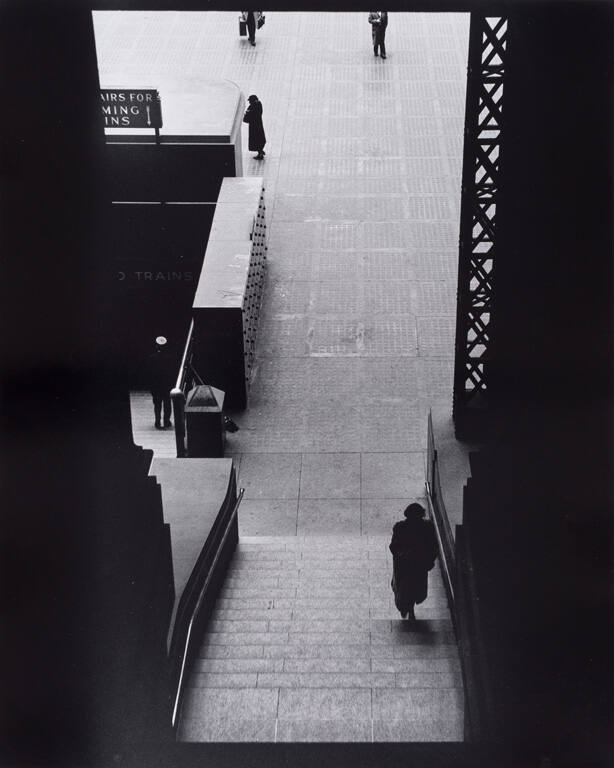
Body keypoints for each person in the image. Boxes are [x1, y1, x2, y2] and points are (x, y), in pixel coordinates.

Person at [389, 503, 437, 620]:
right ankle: (410, 609)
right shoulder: (427, 528)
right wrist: (430, 560)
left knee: (405, 587)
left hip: (404, 564)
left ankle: (406, 608)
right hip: (418, 564)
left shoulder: (400, 527)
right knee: (415, 587)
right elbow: (433, 546)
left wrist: (401, 554)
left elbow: (393, 546)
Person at [148, 336, 174, 429]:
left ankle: (157, 422)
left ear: (156, 346)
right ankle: (166, 421)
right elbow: (172, 373)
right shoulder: (170, 358)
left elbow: (149, 373)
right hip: (166, 385)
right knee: (167, 404)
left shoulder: (151, 358)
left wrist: (151, 386)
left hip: (156, 385)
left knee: (157, 405)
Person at [243, 94, 266, 160]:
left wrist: (248, 113)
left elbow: (249, 116)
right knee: (260, 138)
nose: (249, 102)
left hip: (254, 127)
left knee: (256, 139)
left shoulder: (253, 107)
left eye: (250, 101)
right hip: (259, 125)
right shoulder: (259, 104)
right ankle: (261, 150)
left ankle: (260, 153)